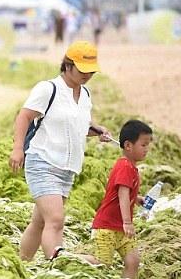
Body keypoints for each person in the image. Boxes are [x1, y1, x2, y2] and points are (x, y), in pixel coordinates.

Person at [9, 40, 114, 261]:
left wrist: (98, 131)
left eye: (91, 71)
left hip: (67, 169)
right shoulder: (49, 89)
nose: (87, 75)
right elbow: (24, 116)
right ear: (67, 65)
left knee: (40, 222)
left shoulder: (84, 94)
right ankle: (59, 265)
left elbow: (79, 126)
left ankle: (22, 265)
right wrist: (17, 148)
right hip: (43, 162)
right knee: (55, 220)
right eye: (82, 70)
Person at [90, 120, 153, 279]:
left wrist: (137, 199)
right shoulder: (125, 166)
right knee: (101, 263)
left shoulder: (131, 167)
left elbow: (124, 192)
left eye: (148, 145)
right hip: (107, 227)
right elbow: (122, 195)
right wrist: (128, 222)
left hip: (120, 229)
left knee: (133, 261)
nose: (147, 149)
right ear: (128, 145)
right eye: (143, 145)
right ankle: (67, 257)